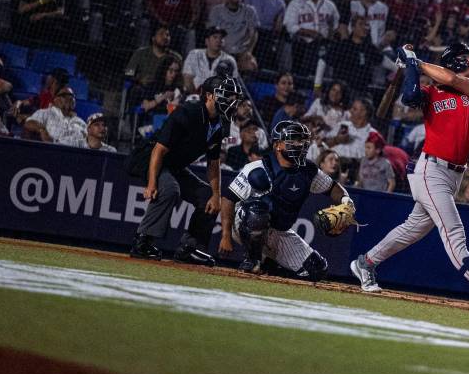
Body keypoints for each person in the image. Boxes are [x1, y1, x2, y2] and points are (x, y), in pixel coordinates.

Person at [350, 43, 469, 311]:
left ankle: (365, 263)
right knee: (454, 232)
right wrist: (410, 69)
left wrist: (414, 61)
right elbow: (409, 98)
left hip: (454, 175)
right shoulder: (431, 93)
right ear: (453, 61)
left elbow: (451, 79)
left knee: (411, 230)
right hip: (430, 170)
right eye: (465, 58)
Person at [126, 75, 243, 265]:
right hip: (149, 158)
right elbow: (159, 150)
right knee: (170, 189)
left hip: (173, 165)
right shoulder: (188, 112)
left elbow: (213, 162)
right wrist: (152, 183)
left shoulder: (222, 122)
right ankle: (142, 241)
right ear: (210, 96)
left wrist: (216, 194)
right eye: (227, 96)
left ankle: (189, 248)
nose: (232, 101)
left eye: (233, 97)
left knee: (208, 196)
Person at [219, 120, 352, 280]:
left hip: (278, 231)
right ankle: (252, 260)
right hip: (244, 223)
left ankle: (269, 264)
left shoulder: (308, 171)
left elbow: (333, 188)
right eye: (294, 140)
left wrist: (346, 201)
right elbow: (228, 198)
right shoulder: (258, 169)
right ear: (278, 145)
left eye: (303, 140)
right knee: (257, 212)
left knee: (317, 269)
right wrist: (225, 235)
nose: (300, 145)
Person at [283, 0, 340, 76]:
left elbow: (336, 26)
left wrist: (331, 36)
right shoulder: (295, 3)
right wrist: (310, 33)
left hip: (324, 46)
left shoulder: (329, 5)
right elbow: (290, 26)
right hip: (302, 46)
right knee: (301, 76)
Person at [208, 0, 258, 72]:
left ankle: (242, 86)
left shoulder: (250, 11)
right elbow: (212, 34)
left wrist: (248, 51)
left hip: (241, 52)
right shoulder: (216, 11)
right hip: (222, 50)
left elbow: (254, 34)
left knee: (251, 65)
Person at [182, 26, 237, 94]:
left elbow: (233, 84)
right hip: (193, 96)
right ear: (207, 41)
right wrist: (197, 97)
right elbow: (187, 80)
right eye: (215, 37)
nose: (218, 40)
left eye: (221, 38)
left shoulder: (230, 60)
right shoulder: (194, 54)